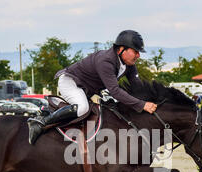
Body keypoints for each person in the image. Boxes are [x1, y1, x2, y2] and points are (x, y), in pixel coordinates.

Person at [27, 30, 158, 144]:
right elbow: (115, 91)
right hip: (70, 82)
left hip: (85, 89)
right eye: (135, 51)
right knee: (82, 108)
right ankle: (41, 123)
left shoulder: (129, 65)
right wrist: (142, 105)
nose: (138, 55)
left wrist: (151, 99)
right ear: (121, 49)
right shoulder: (105, 61)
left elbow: (137, 87)